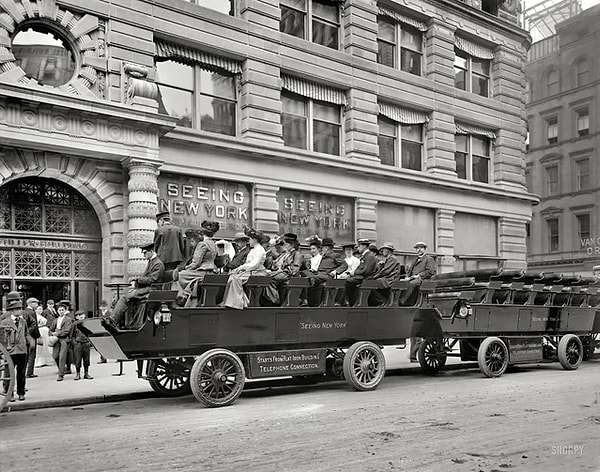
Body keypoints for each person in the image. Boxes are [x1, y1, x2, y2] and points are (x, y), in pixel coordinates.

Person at [109, 242, 165, 329]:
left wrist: (138, 280)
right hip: (146, 289)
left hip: (151, 290)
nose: (144, 255)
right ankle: (123, 323)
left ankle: (113, 321)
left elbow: (153, 279)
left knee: (124, 298)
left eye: (145, 253)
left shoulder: (158, 264)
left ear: (151, 251)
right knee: (121, 297)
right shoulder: (151, 262)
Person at [401, 241, 437, 362]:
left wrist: (419, 276)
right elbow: (410, 272)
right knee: (403, 283)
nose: (419, 250)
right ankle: (413, 355)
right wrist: (408, 276)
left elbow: (430, 272)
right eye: (417, 248)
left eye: (421, 248)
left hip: (422, 283)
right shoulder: (415, 260)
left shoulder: (429, 259)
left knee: (410, 284)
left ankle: (402, 302)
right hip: (413, 282)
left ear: (425, 249)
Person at [220, 227, 268, 310]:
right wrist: (239, 269)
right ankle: (231, 301)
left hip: (257, 272)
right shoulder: (254, 249)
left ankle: (239, 302)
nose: (249, 241)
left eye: (249, 239)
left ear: (254, 240)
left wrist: (240, 268)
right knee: (232, 277)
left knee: (236, 279)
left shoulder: (260, 250)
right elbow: (248, 264)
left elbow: (254, 264)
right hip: (252, 271)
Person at [174, 220, 219, 306]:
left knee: (178, 276)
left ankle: (182, 296)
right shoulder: (213, 244)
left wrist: (186, 268)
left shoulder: (202, 244)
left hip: (202, 271)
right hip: (212, 271)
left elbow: (196, 263)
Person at [1, 291, 28, 401]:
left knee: (21, 374)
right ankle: (9, 394)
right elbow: (2, 338)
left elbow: (25, 334)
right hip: (10, 352)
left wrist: (27, 343)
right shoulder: (4, 322)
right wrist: (3, 351)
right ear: (12, 311)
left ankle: (21, 393)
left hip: (22, 350)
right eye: (17, 309)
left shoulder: (23, 321)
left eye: (20, 309)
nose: (20, 311)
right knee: (9, 374)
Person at [263, 233, 303, 306]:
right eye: (285, 244)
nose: (285, 246)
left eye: (287, 244)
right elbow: (275, 264)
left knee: (268, 277)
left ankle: (275, 300)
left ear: (292, 245)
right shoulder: (285, 254)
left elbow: (295, 269)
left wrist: (282, 270)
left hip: (287, 274)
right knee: (263, 275)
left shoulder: (297, 254)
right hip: (280, 272)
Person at [303, 237, 343, 306]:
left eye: (323, 247)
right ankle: (310, 303)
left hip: (327, 275)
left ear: (327, 248)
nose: (322, 249)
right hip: (319, 275)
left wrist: (335, 272)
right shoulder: (323, 256)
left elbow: (344, 265)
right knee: (304, 275)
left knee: (311, 279)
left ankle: (309, 301)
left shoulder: (335, 255)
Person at [344, 238, 377, 307]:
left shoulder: (369, 256)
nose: (358, 248)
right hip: (361, 277)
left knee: (347, 281)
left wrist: (354, 273)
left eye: (359, 246)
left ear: (364, 246)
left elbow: (366, 271)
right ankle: (351, 302)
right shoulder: (365, 256)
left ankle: (349, 302)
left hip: (365, 278)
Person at [368, 242, 402, 306]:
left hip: (390, 280)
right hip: (387, 279)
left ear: (388, 250)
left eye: (383, 249)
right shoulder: (389, 258)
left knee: (371, 284)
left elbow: (385, 271)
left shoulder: (392, 258)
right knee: (371, 282)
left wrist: (375, 277)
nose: (382, 251)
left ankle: (383, 302)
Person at [48, 301, 74, 382]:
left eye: (63, 310)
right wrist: (52, 334)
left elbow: (67, 330)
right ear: (57, 311)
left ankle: (61, 374)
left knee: (62, 357)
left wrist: (57, 333)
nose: (61, 312)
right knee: (55, 356)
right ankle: (64, 368)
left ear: (65, 310)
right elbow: (50, 329)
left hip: (64, 339)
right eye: (59, 310)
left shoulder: (68, 319)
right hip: (56, 339)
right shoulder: (56, 320)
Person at [22, 297, 41, 379]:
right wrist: (36, 335)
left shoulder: (24, 312)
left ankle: (25, 372)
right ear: (30, 303)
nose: (36, 304)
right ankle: (30, 372)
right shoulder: (31, 312)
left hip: (25, 336)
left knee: (26, 354)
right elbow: (34, 325)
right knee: (32, 355)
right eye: (35, 303)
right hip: (31, 336)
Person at [72, 311, 93, 381]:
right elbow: (71, 334)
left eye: (82, 314)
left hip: (86, 342)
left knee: (86, 359)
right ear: (76, 317)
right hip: (78, 343)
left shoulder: (88, 323)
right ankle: (78, 373)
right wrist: (74, 342)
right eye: (79, 315)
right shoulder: (74, 324)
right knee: (78, 359)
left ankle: (86, 373)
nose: (81, 316)